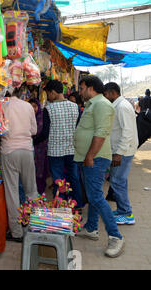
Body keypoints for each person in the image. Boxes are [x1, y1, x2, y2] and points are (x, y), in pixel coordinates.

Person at [74, 75, 124, 258]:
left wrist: (90, 156)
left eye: (81, 88)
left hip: (95, 158)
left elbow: (101, 133)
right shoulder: (93, 104)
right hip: (88, 158)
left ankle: (116, 236)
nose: (80, 92)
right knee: (93, 195)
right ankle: (91, 228)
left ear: (90, 87)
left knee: (95, 197)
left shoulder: (102, 104)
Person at [35, 80, 83, 210]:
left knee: (58, 179)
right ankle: (77, 204)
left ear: (53, 92)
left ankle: (61, 206)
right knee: (74, 177)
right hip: (72, 150)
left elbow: (45, 133)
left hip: (55, 152)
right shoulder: (75, 107)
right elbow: (79, 129)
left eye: (48, 94)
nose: (48, 97)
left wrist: (33, 141)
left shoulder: (48, 109)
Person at [0, 89, 38, 242]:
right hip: (27, 151)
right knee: (31, 190)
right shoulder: (28, 106)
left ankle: (16, 232)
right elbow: (34, 130)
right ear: (20, 91)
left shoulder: (2, 106)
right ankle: (35, 226)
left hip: (9, 151)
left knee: (12, 193)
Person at [103, 82, 138, 225]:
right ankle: (122, 209)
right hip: (120, 150)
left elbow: (128, 131)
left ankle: (126, 214)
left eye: (105, 95)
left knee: (117, 181)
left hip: (123, 151)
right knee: (119, 181)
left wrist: (119, 153)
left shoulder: (122, 106)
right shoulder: (118, 105)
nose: (105, 98)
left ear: (112, 93)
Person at [28, 98, 49, 194]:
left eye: (35, 106)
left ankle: (40, 189)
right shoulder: (26, 118)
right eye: (30, 106)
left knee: (40, 168)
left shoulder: (42, 117)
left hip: (40, 146)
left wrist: (34, 141)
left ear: (38, 107)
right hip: (28, 147)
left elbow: (44, 133)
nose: (33, 109)